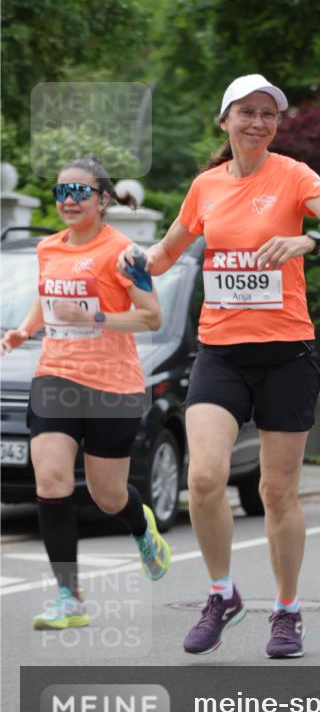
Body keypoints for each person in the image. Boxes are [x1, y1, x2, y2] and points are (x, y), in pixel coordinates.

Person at [119, 74, 320, 659]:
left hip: (287, 354)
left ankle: (287, 611)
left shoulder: (294, 175)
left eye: (268, 114)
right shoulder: (205, 186)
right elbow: (165, 253)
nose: (258, 122)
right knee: (204, 479)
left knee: (277, 493)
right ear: (225, 120)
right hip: (221, 353)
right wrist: (130, 261)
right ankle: (221, 595)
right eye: (247, 112)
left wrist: (308, 243)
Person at [1, 155, 170, 629]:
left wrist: (95, 317)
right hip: (55, 376)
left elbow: (151, 317)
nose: (69, 200)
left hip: (112, 386)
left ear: (103, 199)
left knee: (107, 496)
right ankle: (68, 596)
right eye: (62, 192)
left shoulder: (126, 254)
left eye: (80, 192)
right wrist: (23, 330)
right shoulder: (48, 248)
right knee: (51, 481)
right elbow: (47, 296)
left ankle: (141, 527)